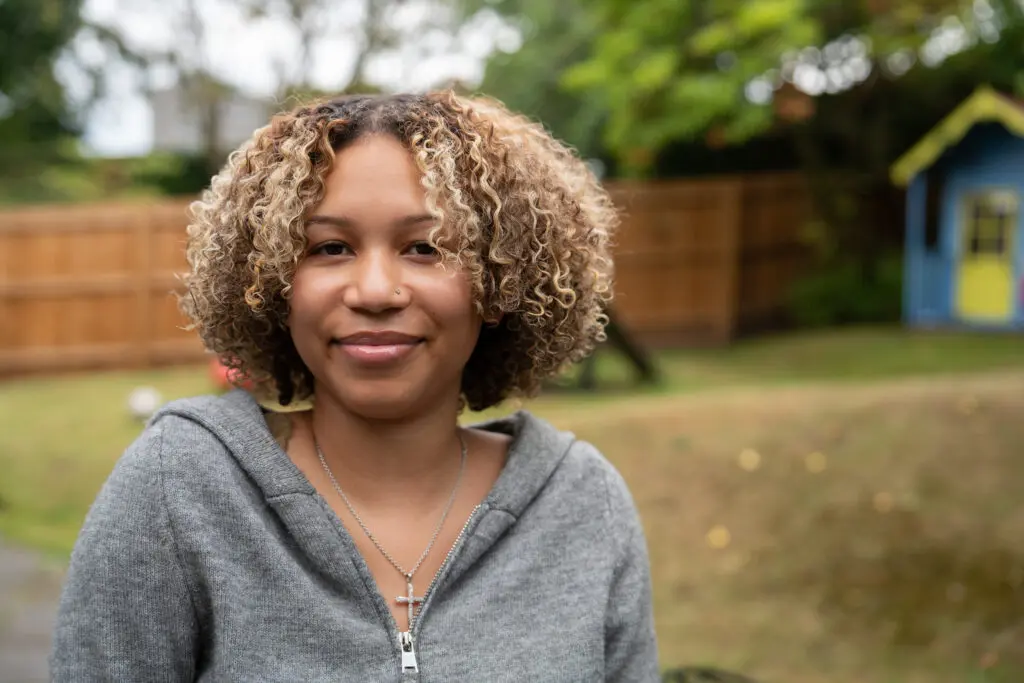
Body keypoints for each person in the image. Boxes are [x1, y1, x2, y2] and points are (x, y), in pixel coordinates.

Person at [50, 91, 659, 682]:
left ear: (502, 282)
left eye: (424, 247)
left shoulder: (583, 503)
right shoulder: (177, 491)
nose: (373, 290)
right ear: (273, 283)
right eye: (330, 247)